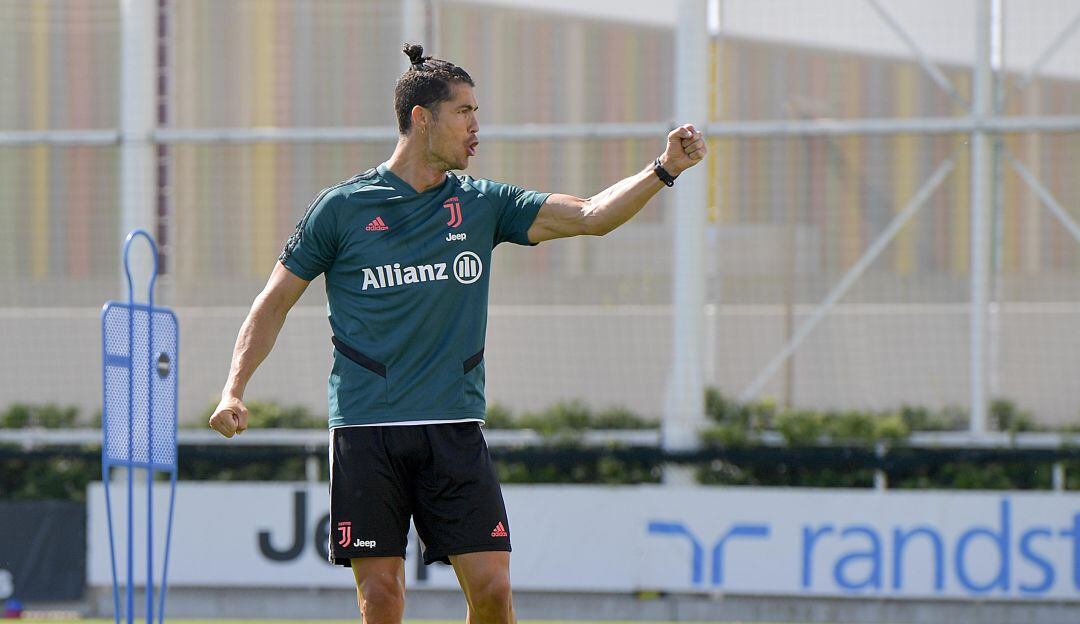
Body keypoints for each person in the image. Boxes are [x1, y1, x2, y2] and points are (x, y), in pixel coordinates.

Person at [209, 43, 706, 624]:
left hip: (453, 428)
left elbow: (592, 215)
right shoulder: (341, 209)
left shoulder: (483, 204)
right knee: (382, 600)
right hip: (369, 429)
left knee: (494, 590)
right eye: (464, 111)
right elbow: (273, 304)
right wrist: (233, 388)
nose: (476, 127)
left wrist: (663, 169)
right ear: (422, 118)